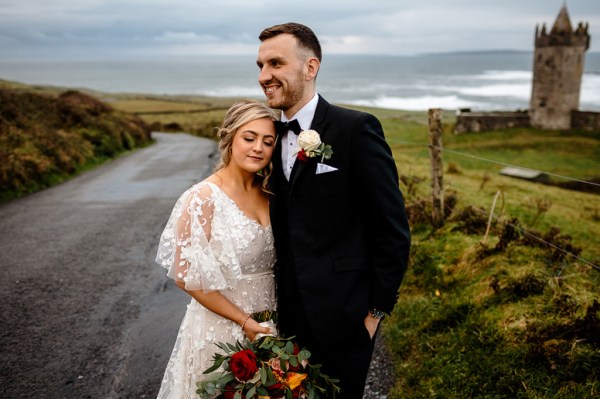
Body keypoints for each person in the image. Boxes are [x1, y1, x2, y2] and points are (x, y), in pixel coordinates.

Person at [256, 23, 411, 398]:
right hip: (282, 322)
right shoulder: (267, 139)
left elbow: (392, 230)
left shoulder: (356, 129)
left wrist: (374, 315)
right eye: (260, 65)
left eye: (276, 63)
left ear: (311, 67)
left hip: (344, 320)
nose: (265, 76)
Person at [155, 99, 278, 398]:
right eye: (249, 138)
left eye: (268, 141)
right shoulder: (203, 197)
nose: (258, 148)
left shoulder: (272, 193)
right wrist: (243, 321)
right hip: (220, 330)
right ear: (230, 138)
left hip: (272, 326)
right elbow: (186, 277)